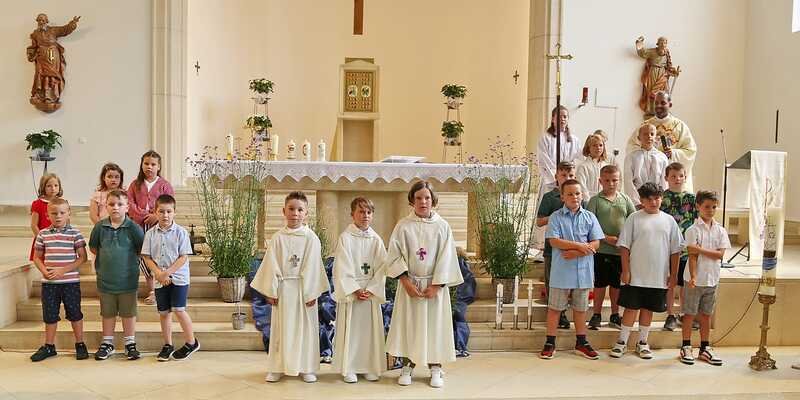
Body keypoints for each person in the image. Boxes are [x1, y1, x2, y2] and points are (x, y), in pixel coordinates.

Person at [386, 181, 464, 388]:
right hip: (410, 285)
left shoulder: (442, 226)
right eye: (419, 198)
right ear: (412, 201)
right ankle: (407, 366)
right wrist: (406, 282)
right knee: (409, 326)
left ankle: (435, 367)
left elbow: (447, 257)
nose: (423, 202)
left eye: (427, 197)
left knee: (434, 327)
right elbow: (394, 255)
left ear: (433, 200)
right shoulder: (403, 226)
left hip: (434, 286)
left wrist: (437, 286)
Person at [250, 192, 329, 383]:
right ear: (283, 211)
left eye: (300, 210)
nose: (295, 213)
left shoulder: (311, 238)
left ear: (306, 213)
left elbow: (314, 266)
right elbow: (271, 265)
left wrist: (312, 292)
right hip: (284, 289)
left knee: (304, 330)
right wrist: (271, 290)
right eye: (291, 209)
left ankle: (306, 367)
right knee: (282, 330)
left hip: (304, 290)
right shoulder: (278, 238)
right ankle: (277, 367)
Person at [610, 183, 682, 360]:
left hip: (658, 276)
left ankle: (642, 342)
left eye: (656, 198)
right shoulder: (634, 218)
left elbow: (675, 250)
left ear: (661, 198)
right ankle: (622, 341)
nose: (653, 202)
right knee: (630, 308)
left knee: (648, 309)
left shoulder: (669, 221)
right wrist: (626, 271)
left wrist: (673, 275)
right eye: (648, 199)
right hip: (635, 275)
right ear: (641, 200)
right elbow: (624, 246)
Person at [539, 179, 604, 360]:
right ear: (562, 197)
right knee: (555, 308)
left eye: (577, 193)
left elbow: (596, 243)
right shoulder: (556, 217)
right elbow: (554, 241)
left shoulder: (590, 217)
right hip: (562, 271)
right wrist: (579, 246)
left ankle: (581, 342)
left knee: (581, 308)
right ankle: (550, 342)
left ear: (582, 195)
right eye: (569, 194)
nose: (574, 197)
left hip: (583, 271)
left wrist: (576, 252)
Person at [331, 197, 388, 383]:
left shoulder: (376, 240)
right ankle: (350, 367)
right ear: (352, 214)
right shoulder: (345, 238)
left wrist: (372, 288)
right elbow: (341, 266)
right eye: (361, 212)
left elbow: (383, 267)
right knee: (352, 331)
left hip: (369, 293)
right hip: (353, 294)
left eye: (369, 212)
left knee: (368, 333)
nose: (365, 215)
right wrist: (355, 289)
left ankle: (370, 366)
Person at [29, 198, 88, 362]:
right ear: (47, 215)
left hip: (70, 283)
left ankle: (80, 344)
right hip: (49, 284)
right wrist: (44, 271)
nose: (58, 216)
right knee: (50, 314)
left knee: (75, 313)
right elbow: (37, 257)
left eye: (62, 213)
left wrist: (63, 270)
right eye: (54, 213)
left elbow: (82, 258)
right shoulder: (43, 234)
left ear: (69, 213)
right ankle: (49, 346)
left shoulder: (75, 233)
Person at [141, 194, 199, 361]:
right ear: (155, 212)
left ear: (174, 212)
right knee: (164, 312)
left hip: (179, 278)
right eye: (161, 211)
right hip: (160, 278)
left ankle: (191, 342)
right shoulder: (150, 234)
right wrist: (159, 274)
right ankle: (168, 345)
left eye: (169, 211)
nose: (165, 215)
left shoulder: (181, 232)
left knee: (179, 310)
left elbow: (183, 257)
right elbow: (146, 257)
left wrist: (167, 273)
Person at [88, 190, 145, 361]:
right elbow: (93, 248)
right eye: (111, 204)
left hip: (128, 280)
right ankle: (107, 343)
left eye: (120, 204)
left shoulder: (133, 228)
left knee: (128, 312)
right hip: (106, 280)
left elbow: (141, 249)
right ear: (106, 206)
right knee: (108, 312)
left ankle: (130, 343)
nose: (115, 207)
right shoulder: (100, 227)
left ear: (127, 207)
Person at [679, 190, 730, 366]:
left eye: (714, 207)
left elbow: (720, 255)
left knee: (706, 315)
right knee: (689, 314)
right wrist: (693, 276)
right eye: (707, 207)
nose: (710, 210)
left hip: (712, 279)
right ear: (698, 206)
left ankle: (704, 348)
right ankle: (686, 346)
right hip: (694, 280)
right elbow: (692, 256)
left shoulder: (720, 230)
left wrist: (699, 249)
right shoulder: (692, 230)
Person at [586, 165, 636, 330]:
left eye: (614, 180)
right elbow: (589, 225)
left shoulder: (625, 199)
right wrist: (606, 238)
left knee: (616, 284)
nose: (611, 183)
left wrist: (623, 239)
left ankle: (615, 315)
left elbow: (632, 220)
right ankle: (596, 314)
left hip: (620, 252)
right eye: (607, 180)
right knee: (600, 284)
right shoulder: (595, 201)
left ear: (619, 180)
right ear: (600, 181)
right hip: (601, 250)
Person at [537, 161, 585, 329]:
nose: (567, 178)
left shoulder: (578, 196)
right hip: (553, 249)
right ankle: (558, 313)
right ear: (556, 176)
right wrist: (556, 216)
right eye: (563, 175)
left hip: (573, 249)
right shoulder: (549, 197)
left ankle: (568, 310)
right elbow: (539, 221)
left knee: (571, 282)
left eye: (571, 175)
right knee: (553, 282)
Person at [127, 151, 175, 306]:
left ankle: (158, 291)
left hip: (158, 226)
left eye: (153, 164)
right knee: (143, 256)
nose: (149, 167)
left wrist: (156, 216)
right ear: (141, 165)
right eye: (146, 163)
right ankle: (148, 289)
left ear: (158, 166)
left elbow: (170, 203)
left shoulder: (165, 185)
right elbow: (129, 203)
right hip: (139, 226)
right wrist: (143, 215)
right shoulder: (135, 184)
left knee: (157, 256)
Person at [627, 91, 697, 193]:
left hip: (672, 176)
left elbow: (690, 151)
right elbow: (631, 147)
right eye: (656, 103)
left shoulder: (680, 126)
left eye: (663, 103)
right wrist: (647, 153)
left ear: (670, 104)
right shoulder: (645, 126)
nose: (659, 106)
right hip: (648, 177)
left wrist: (672, 153)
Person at [660, 162, 698, 331]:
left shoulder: (691, 198)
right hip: (667, 248)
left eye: (680, 176)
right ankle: (670, 315)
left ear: (685, 177)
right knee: (670, 282)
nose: (677, 179)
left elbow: (697, 220)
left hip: (685, 249)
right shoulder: (662, 197)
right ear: (666, 178)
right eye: (673, 176)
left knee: (684, 284)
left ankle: (684, 314)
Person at [26, 13, 80, 109]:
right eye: (39, 20)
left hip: (52, 55)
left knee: (51, 75)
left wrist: (73, 23)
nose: (41, 22)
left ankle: (50, 96)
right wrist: (30, 53)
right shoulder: (35, 34)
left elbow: (65, 29)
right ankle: (39, 95)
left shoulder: (53, 30)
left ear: (46, 21)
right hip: (41, 56)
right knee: (39, 74)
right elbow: (33, 46)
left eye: (43, 20)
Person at [537, 106, 582, 194]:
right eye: (559, 117)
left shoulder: (574, 140)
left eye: (565, 116)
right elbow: (544, 160)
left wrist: (569, 176)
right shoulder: (545, 138)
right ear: (553, 119)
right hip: (552, 182)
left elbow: (578, 159)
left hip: (569, 181)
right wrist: (558, 178)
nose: (562, 119)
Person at [624, 124, 669, 206]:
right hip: (638, 198)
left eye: (652, 134)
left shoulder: (662, 157)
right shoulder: (631, 157)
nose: (649, 136)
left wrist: (659, 200)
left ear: (656, 137)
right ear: (639, 138)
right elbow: (628, 181)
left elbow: (664, 181)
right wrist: (636, 202)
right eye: (645, 134)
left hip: (656, 200)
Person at [635, 36, 680, 116]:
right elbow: (642, 53)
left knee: (664, 92)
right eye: (661, 43)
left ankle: (663, 110)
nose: (663, 44)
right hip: (653, 73)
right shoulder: (652, 51)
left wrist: (674, 72)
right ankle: (651, 110)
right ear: (657, 44)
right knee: (652, 92)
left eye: (665, 43)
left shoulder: (666, 53)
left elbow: (668, 66)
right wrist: (639, 44)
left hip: (663, 74)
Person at [29, 173, 63, 261]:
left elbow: (66, 222)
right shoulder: (38, 204)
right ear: (43, 187)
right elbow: (34, 225)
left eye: (56, 185)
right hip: (43, 240)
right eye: (49, 186)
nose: (53, 188)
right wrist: (42, 239)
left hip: (58, 239)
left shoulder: (62, 203)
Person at [576, 132, 610, 199]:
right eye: (594, 145)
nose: (598, 148)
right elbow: (582, 187)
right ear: (588, 148)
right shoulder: (583, 167)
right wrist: (589, 202)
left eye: (600, 145)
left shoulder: (606, 166)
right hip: (589, 200)